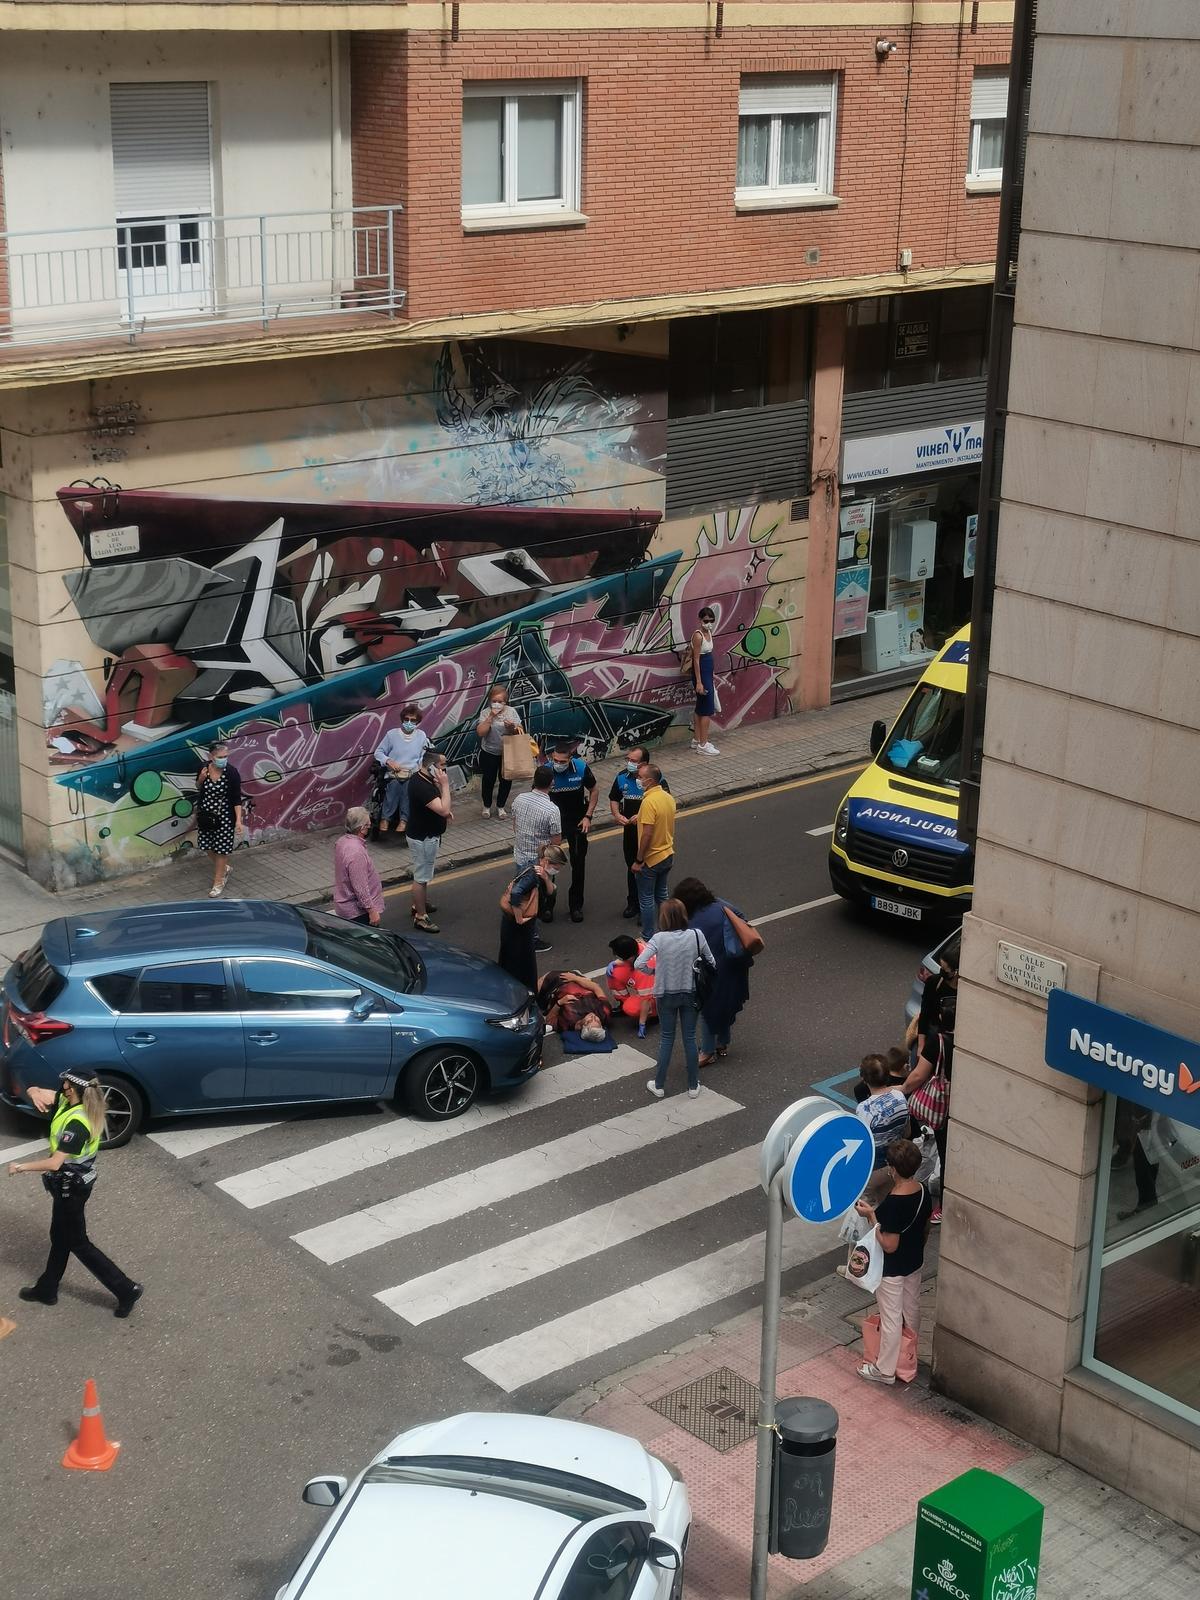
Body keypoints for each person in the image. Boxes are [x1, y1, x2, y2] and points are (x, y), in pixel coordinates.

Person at [8, 1069, 143, 1318]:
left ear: (75, 1089)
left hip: (73, 1188)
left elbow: (54, 1163)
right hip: (68, 1186)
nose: (62, 1085)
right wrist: (33, 1091)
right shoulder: (67, 1100)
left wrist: (20, 1167)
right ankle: (47, 1289)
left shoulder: (78, 1124)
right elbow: (38, 1091)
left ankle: (126, 1289)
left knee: (77, 1242)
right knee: (60, 1237)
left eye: (66, 1083)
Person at [854, 1137, 933, 1385]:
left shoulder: (893, 1202)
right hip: (914, 1261)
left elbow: (889, 1244)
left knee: (891, 1318)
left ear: (893, 1169)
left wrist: (871, 1217)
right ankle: (908, 1357)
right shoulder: (922, 1191)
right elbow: (926, 1227)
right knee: (912, 1311)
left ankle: (885, 1369)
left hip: (893, 1270)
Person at [636, 899, 714, 1100]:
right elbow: (711, 962)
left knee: (667, 1038)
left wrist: (653, 971)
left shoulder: (659, 938)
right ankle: (693, 1085)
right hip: (690, 992)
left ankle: (659, 1085)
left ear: (663, 918)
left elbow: (639, 963)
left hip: (666, 994)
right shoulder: (696, 935)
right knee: (689, 1038)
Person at [674, 876, 754, 1066]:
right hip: (734, 964)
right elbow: (742, 917)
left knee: (708, 1009)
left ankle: (708, 1051)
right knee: (724, 1005)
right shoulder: (720, 905)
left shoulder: (692, 920)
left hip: (710, 971)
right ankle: (722, 1043)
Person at [903, 962, 957, 1222]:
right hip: (962, 1101)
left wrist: (901, 1089)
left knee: (945, 1150)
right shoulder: (970, 1040)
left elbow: (918, 1076)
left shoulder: (939, 1042)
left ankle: (943, 1205)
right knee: (947, 1152)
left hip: (943, 1107)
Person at [608, 747, 670, 919]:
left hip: (649, 832)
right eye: (628, 759)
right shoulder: (622, 777)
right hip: (629, 831)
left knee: (647, 870)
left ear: (644, 764)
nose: (629, 763)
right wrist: (616, 814)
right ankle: (633, 903)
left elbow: (664, 803)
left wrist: (641, 815)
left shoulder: (655, 780)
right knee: (632, 867)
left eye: (634, 761)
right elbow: (614, 798)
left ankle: (647, 911)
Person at [498, 843, 567, 992]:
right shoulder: (531, 875)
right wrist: (519, 919)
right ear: (547, 861)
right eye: (557, 866)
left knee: (517, 958)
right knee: (520, 959)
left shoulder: (540, 871)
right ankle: (522, 991)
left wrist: (546, 878)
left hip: (519, 925)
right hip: (518, 925)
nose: (557, 870)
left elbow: (551, 891)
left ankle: (518, 988)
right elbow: (516, 894)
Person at [545, 740, 598, 924]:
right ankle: (547, 906)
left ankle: (576, 906)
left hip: (576, 821)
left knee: (578, 863)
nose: (558, 764)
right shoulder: (545, 771)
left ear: (570, 759)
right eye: (555, 761)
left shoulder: (581, 768)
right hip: (553, 824)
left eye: (562, 761)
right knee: (549, 865)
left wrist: (588, 816)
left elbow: (594, 790)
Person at [511, 767, 562, 953]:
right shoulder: (552, 810)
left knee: (525, 896)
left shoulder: (519, 799)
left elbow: (515, 825)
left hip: (520, 856)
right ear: (552, 783)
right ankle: (531, 938)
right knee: (534, 900)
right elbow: (555, 843)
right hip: (538, 863)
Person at [405, 749, 452, 933]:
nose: (444, 770)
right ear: (431, 766)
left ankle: (419, 904)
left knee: (422, 874)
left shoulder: (424, 779)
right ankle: (420, 917)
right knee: (421, 878)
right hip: (423, 838)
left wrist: (445, 810)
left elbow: (439, 807)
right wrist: (446, 786)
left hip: (426, 834)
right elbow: (442, 808)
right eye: (442, 766)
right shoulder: (421, 786)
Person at [857, 1055, 912, 1202]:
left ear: (864, 1079)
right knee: (889, 1197)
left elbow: (862, 1144)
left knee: (868, 1204)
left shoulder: (864, 1109)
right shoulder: (899, 1096)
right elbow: (907, 1132)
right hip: (897, 1161)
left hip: (873, 1168)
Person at [633, 762, 676, 942]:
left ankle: (648, 936)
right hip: (667, 853)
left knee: (646, 898)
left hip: (651, 858)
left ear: (649, 781)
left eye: (640, 777)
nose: (638, 780)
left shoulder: (649, 802)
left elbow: (648, 834)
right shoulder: (667, 797)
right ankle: (670, 930)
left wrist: (639, 859)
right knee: (662, 895)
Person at [373, 704, 430, 841]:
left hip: (412, 773)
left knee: (408, 788)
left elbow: (423, 757)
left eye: (413, 720)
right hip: (394, 772)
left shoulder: (421, 736)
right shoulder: (392, 735)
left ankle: (404, 820)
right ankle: (385, 819)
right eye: (407, 719)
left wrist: (420, 769)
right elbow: (378, 752)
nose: (409, 723)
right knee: (394, 786)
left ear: (417, 722)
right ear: (402, 719)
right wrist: (388, 761)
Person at [196, 739, 243, 897]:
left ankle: (219, 881)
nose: (224, 759)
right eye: (221, 756)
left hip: (224, 816)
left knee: (221, 850)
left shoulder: (231, 772)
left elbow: (237, 798)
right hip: (206, 815)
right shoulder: (204, 768)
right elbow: (198, 787)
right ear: (212, 756)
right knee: (205, 845)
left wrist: (238, 820)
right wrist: (201, 779)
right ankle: (224, 868)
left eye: (226, 756)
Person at [333, 806, 385, 925]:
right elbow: (360, 887)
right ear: (362, 828)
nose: (370, 827)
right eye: (368, 825)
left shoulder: (342, 841)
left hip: (346, 908)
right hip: (358, 914)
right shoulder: (356, 852)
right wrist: (372, 911)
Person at [476, 687, 523, 819]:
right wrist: (491, 716)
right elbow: (481, 732)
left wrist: (512, 727)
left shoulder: (511, 711)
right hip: (489, 752)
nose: (497, 703)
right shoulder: (485, 713)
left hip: (507, 752)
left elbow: (520, 730)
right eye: (494, 701)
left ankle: (501, 806)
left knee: (506, 780)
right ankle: (486, 806)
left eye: (500, 701)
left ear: (505, 701)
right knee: (488, 780)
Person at [606, 934, 657, 1037]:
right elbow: (627, 960)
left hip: (657, 993)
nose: (617, 958)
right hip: (643, 975)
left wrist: (641, 1023)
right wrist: (613, 963)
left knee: (631, 1008)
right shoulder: (635, 946)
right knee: (615, 973)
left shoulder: (645, 970)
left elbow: (646, 999)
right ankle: (623, 1001)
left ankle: (655, 1012)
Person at [536, 971, 614, 1035]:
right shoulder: (605, 1012)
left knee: (543, 980)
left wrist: (559, 1003)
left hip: (558, 986)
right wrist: (575, 978)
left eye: (589, 1021)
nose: (593, 1017)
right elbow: (596, 988)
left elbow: (549, 1020)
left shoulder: (568, 1024)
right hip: (582, 982)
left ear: (582, 1027)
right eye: (597, 1021)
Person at [689, 606, 720, 755]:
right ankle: (703, 744)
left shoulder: (708, 633)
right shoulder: (698, 636)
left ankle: (696, 739)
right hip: (701, 674)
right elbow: (696, 660)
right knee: (707, 709)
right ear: (700, 620)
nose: (709, 624)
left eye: (711, 621)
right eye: (706, 621)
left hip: (707, 673)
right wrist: (699, 682)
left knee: (700, 707)